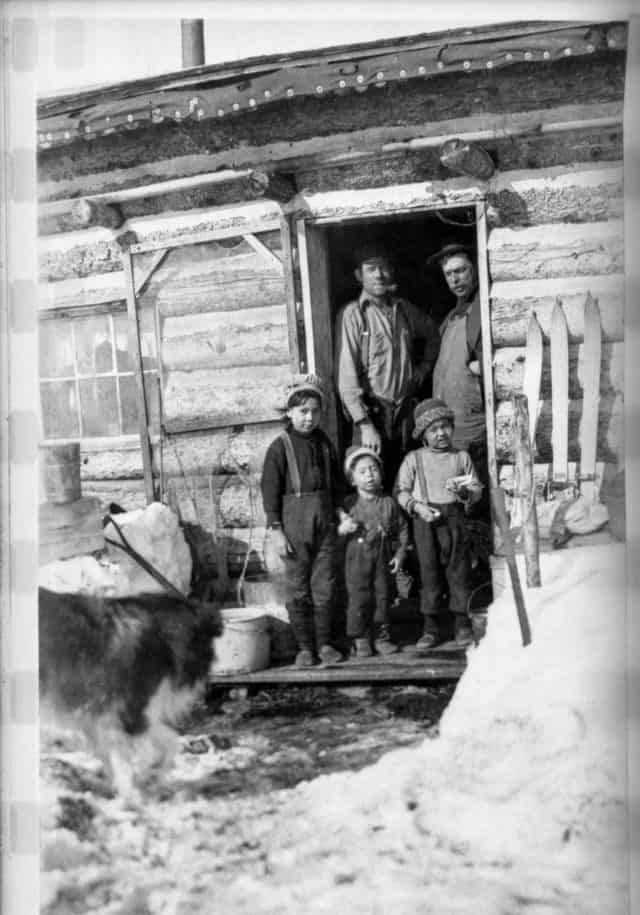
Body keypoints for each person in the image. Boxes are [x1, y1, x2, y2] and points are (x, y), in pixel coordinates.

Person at [335, 242, 440, 485]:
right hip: (372, 414)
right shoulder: (353, 314)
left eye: (384, 268)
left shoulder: (404, 310)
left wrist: (424, 368)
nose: (380, 275)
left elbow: (433, 334)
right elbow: (346, 375)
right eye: (371, 269)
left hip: (404, 414)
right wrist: (364, 425)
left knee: (407, 482)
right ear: (359, 275)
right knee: (370, 484)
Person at [260, 373, 343, 668]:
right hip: (294, 527)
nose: (309, 418)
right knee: (297, 585)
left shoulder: (324, 444)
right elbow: (269, 491)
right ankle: (305, 647)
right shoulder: (279, 448)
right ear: (290, 413)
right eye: (303, 412)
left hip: (325, 522)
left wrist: (341, 513)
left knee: (325, 584)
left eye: (314, 412)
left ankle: (325, 644)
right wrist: (276, 530)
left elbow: (336, 485)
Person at [394, 398, 482, 651]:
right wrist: (418, 507)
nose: (441, 433)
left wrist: (467, 493)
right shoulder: (414, 459)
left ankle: (461, 623)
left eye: (445, 426)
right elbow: (401, 492)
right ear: (423, 434)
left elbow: (476, 490)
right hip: (426, 524)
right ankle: (431, 627)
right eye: (433, 429)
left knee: (459, 571)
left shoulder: (460, 457)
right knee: (428, 573)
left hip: (454, 521)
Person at [428, 240, 488, 500]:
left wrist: (481, 366)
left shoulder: (481, 309)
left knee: (474, 492)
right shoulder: (452, 317)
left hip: (471, 425)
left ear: (474, 268)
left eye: (461, 270)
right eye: (449, 274)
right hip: (450, 425)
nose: (455, 279)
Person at [337, 446, 409, 659]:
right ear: (352, 479)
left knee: (383, 595)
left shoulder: (389, 503)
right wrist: (342, 528)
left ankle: (381, 636)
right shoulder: (348, 505)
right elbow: (335, 532)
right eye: (362, 471)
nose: (369, 475)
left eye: (373, 469)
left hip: (382, 557)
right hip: (356, 559)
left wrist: (400, 554)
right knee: (359, 597)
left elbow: (402, 529)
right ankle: (360, 637)